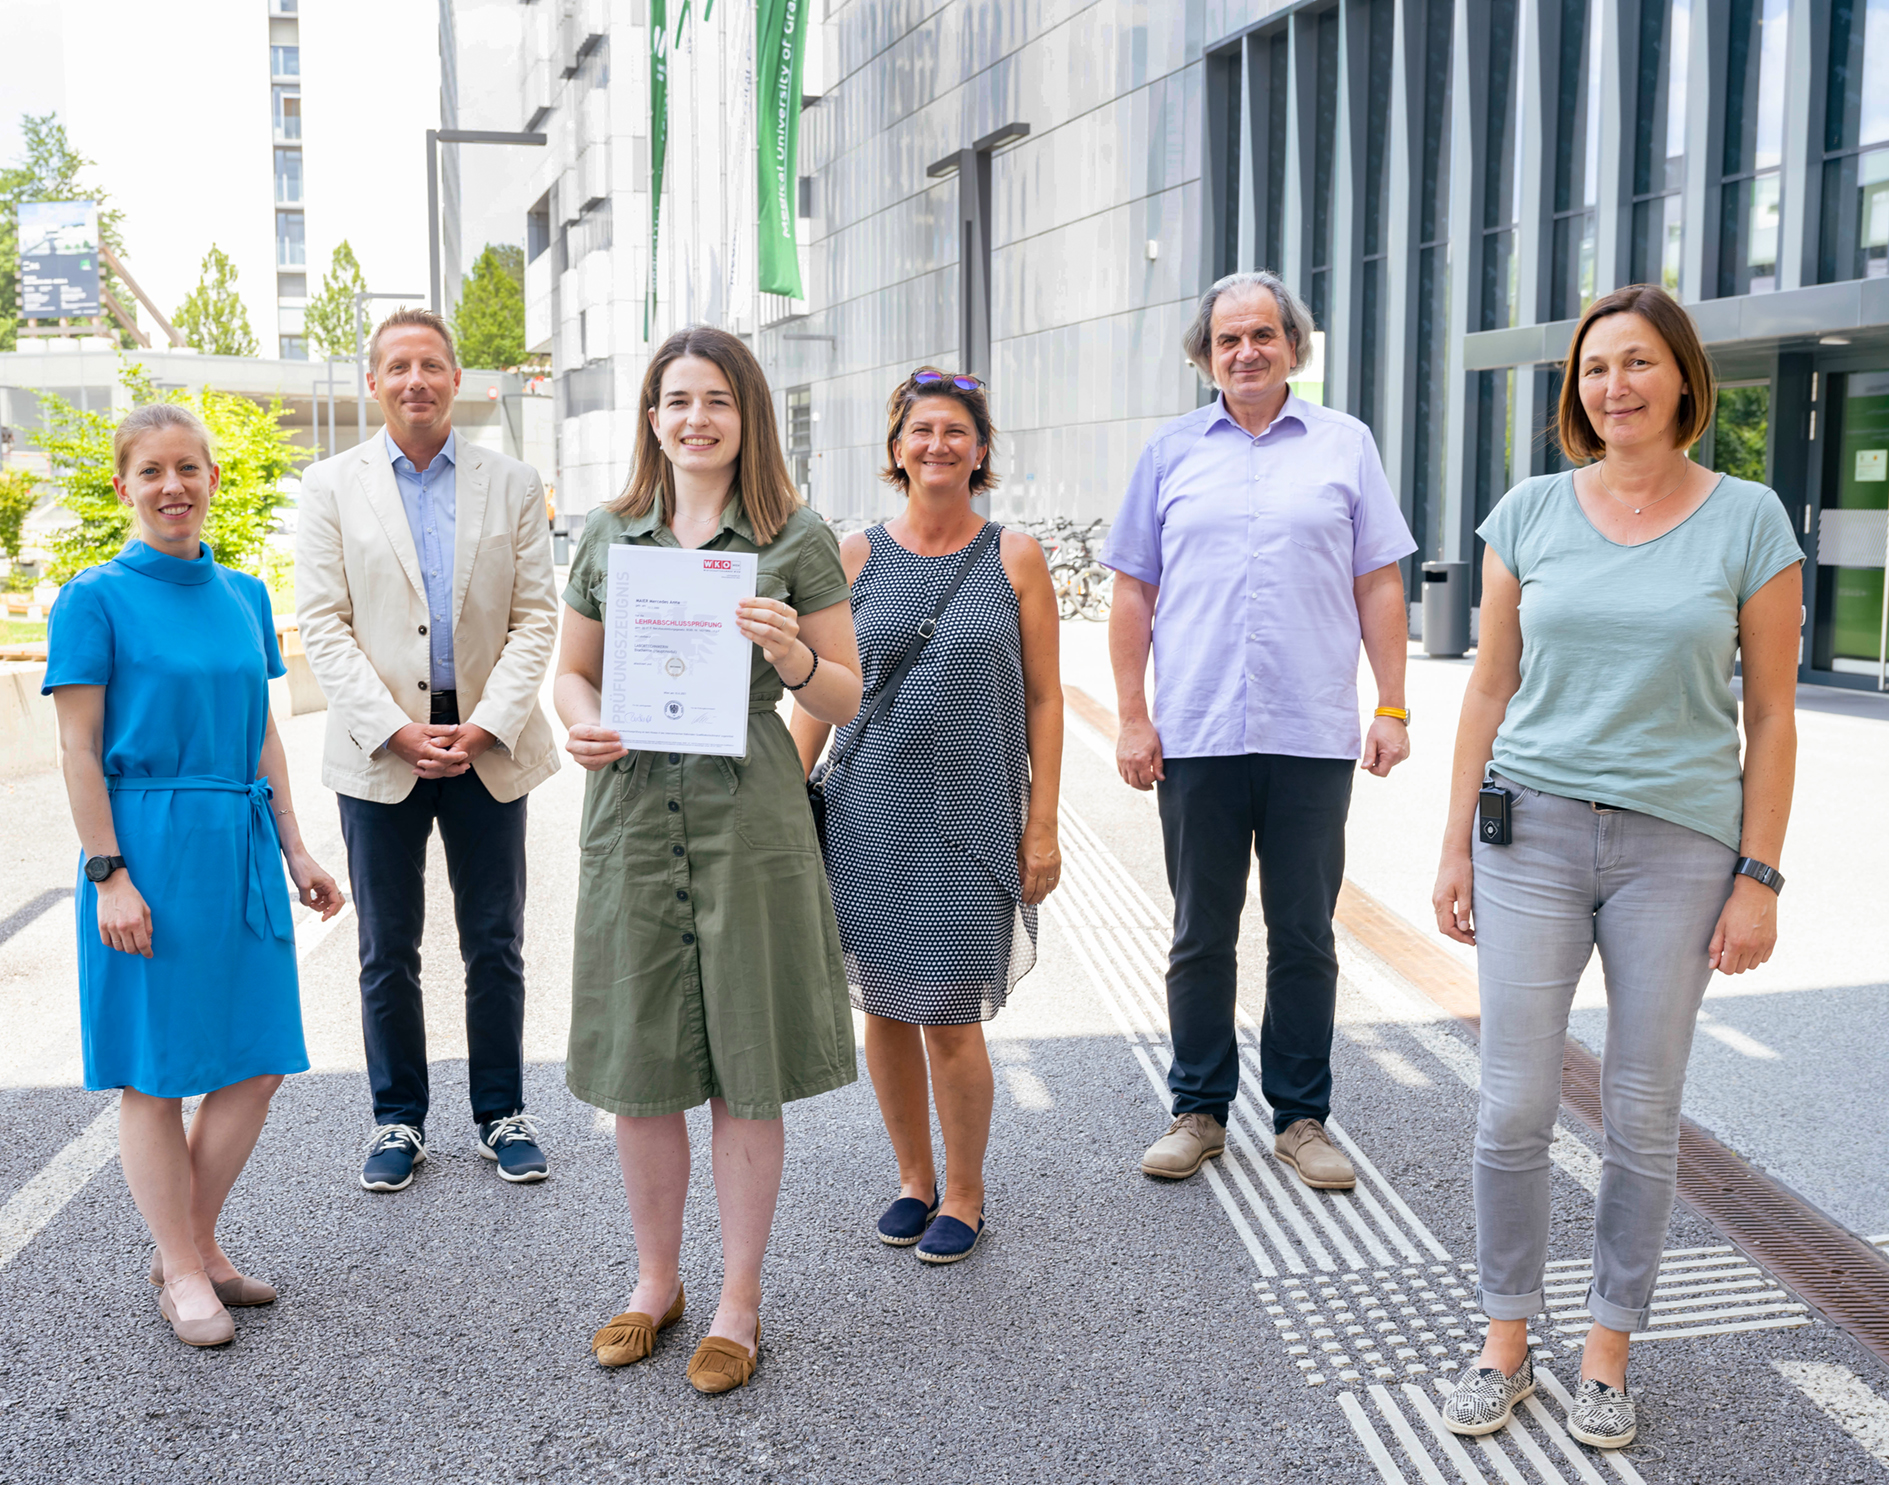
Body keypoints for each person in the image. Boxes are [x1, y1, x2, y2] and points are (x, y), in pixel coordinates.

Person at [1433, 284, 1801, 1449]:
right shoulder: (1529, 513)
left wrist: (1759, 875)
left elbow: (1777, 718)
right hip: (1527, 833)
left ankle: (1605, 1351)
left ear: (1683, 378)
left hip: (1677, 850)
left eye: (1638, 364)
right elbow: (1487, 687)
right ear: (1575, 391)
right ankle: (1503, 1342)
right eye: (1595, 369)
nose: (1614, 387)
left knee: (1642, 1113)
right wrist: (1451, 840)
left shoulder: (1746, 518)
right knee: (1512, 1104)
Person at [556, 326, 862, 1394]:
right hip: (633, 814)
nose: (696, 418)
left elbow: (843, 694)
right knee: (641, 1071)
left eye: (717, 401)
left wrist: (789, 652)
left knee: (745, 1065)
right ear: (652, 416)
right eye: (677, 400)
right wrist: (582, 724)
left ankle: (738, 1298)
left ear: (747, 417)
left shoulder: (795, 535)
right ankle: (653, 1284)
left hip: (749, 816)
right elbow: (571, 675)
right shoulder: (608, 534)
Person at [1103, 270, 1417, 1191]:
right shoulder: (1168, 454)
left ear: (1293, 346)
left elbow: (1377, 583)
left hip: (1310, 732)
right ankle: (1197, 1110)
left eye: (1263, 336)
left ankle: (1301, 1116)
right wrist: (1130, 716)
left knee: (1304, 933)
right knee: (1201, 930)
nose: (1246, 351)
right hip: (1195, 732)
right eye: (1228, 338)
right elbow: (1133, 590)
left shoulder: (1344, 445)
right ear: (1205, 352)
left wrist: (1391, 705)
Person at [45, 404, 344, 1347]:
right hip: (148, 847)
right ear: (125, 485)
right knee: (156, 1072)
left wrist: (297, 847)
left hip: (242, 841)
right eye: (151, 471)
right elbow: (77, 747)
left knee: (257, 1063)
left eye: (188, 467)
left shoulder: (247, 595)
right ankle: (182, 1267)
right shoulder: (92, 596)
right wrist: (108, 874)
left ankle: (194, 1242)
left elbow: (262, 736)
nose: (172, 485)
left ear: (213, 478)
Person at [790, 369, 1063, 1265]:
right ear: (896, 450)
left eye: (956, 431)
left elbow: (1046, 701)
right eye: (921, 431)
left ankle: (966, 1190)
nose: (937, 445)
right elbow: (814, 691)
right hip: (870, 807)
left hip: (972, 813)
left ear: (980, 451)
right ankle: (913, 1177)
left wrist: (1044, 822)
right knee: (886, 1011)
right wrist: (792, 797)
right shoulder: (853, 555)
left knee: (948, 1013)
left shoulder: (1015, 556)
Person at [296, 307, 561, 1193]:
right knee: (387, 944)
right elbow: (324, 626)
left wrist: (485, 722)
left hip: (488, 739)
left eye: (432, 365)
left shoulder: (513, 482)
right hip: (382, 750)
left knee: (495, 940)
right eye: (397, 366)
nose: (416, 380)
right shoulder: (330, 485)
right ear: (374, 382)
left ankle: (501, 1111)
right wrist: (397, 728)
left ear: (459, 380)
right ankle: (397, 1118)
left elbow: (534, 619)